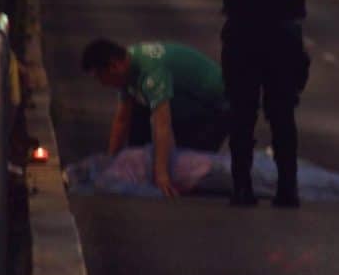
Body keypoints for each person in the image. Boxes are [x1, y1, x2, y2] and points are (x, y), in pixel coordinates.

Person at [191, 0, 339, 208]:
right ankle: (288, 190)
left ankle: (242, 189)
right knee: (283, 114)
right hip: (284, 38)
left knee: (242, 113)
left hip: (243, 36)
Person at [82, 39, 232, 198]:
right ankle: (143, 167)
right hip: (187, 102)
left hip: (219, 108)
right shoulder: (127, 66)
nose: (101, 84)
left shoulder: (151, 71)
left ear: (113, 66)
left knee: (189, 167)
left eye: (100, 77)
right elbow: (122, 120)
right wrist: (111, 162)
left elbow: (162, 124)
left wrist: (162, 175)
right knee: (139, 112)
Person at [63, 145, 339, 205]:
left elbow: (139, 192)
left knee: (275, 178)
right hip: (211, 167)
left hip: (209, 170)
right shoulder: (120, 162)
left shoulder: (112, 172)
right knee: (276, 173)